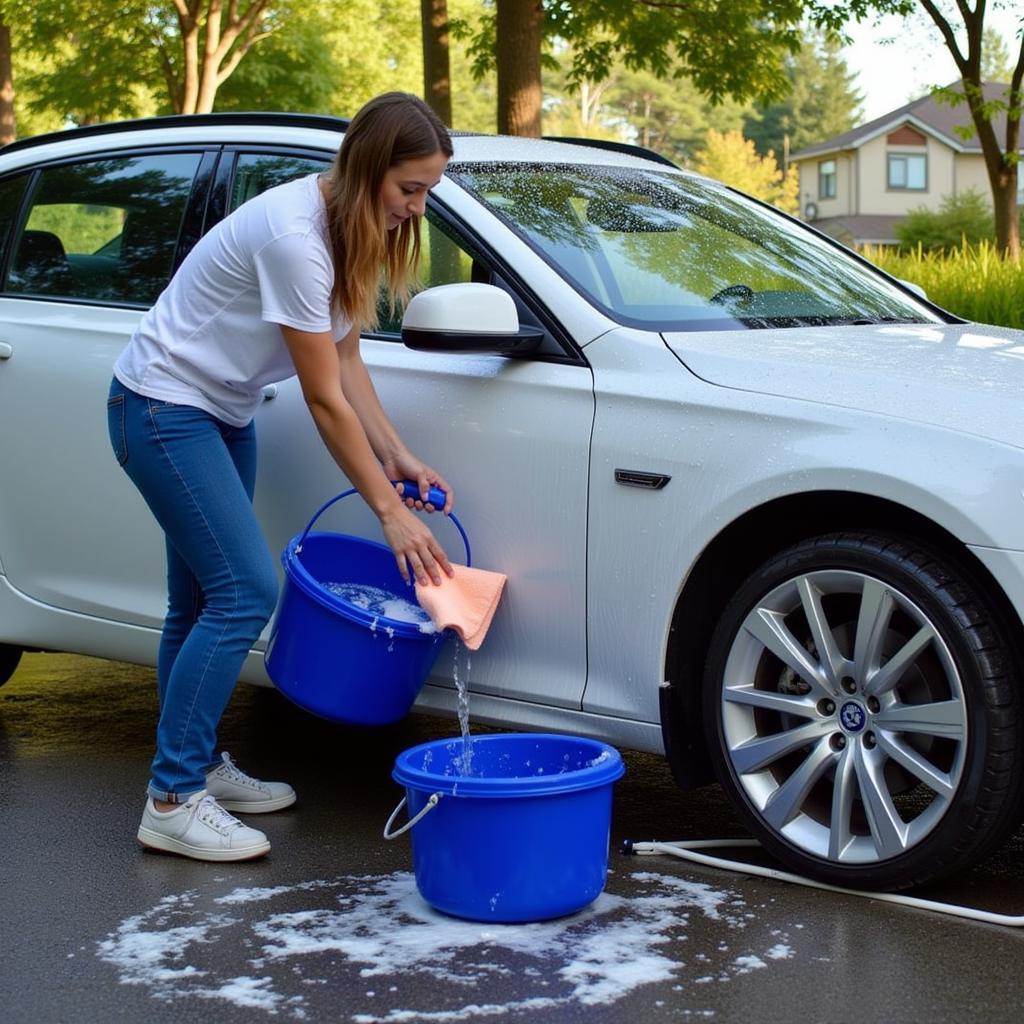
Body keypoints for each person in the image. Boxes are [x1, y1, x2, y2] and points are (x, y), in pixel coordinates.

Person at [106, 92, 455, 862]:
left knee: (197, 600)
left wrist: (396, 453)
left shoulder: (337, 227)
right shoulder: (296, 238)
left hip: (218, 413)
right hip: (163, 411)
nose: (417, 208)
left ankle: (192, 767)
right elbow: (324, 400)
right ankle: (171, 799)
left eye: (428, 190)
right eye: (410, 189)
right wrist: (386, 512)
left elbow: (348, 356)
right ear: (369, 171)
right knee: (244, 593)